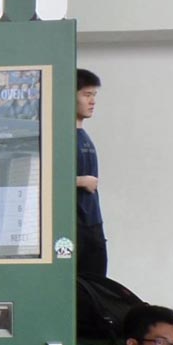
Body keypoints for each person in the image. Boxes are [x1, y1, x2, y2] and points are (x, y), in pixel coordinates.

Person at [74, 69, 108, 278]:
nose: (92, 101)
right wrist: (79, 181)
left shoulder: (84, 135)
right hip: (74, 226)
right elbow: (44, 180)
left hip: (93, 223)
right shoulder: (59, 137)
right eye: (86, 95)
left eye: (94, 96)